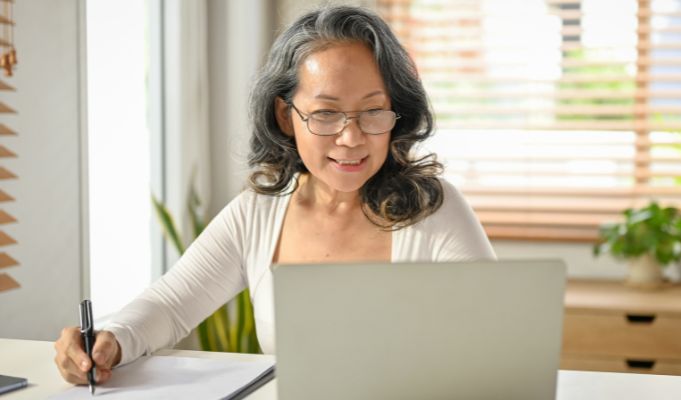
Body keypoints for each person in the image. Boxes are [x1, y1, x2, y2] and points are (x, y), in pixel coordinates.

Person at [54, 5, 496, 386]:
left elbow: (498, 342)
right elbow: (170, 306)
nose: (351, 137)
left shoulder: (435, 210)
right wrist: (110, 338)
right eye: (325, 113)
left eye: (373, 111)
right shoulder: (258, 213)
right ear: (286, 116)